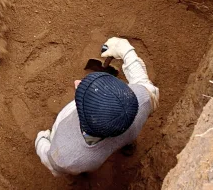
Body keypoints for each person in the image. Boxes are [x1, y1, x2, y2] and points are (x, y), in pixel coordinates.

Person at [35, 37, 159, 177]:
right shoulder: (144, 99)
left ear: (83, 119)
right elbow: (142, 81)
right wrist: (126, 51)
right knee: (126, 137)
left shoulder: (67, 157)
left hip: (87, 161)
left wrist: (41, 139)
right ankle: (127, 145)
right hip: (127, 132)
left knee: (82, 165)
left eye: (81, 95)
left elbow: (51, 163)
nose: (76, 82)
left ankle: (83, 173)